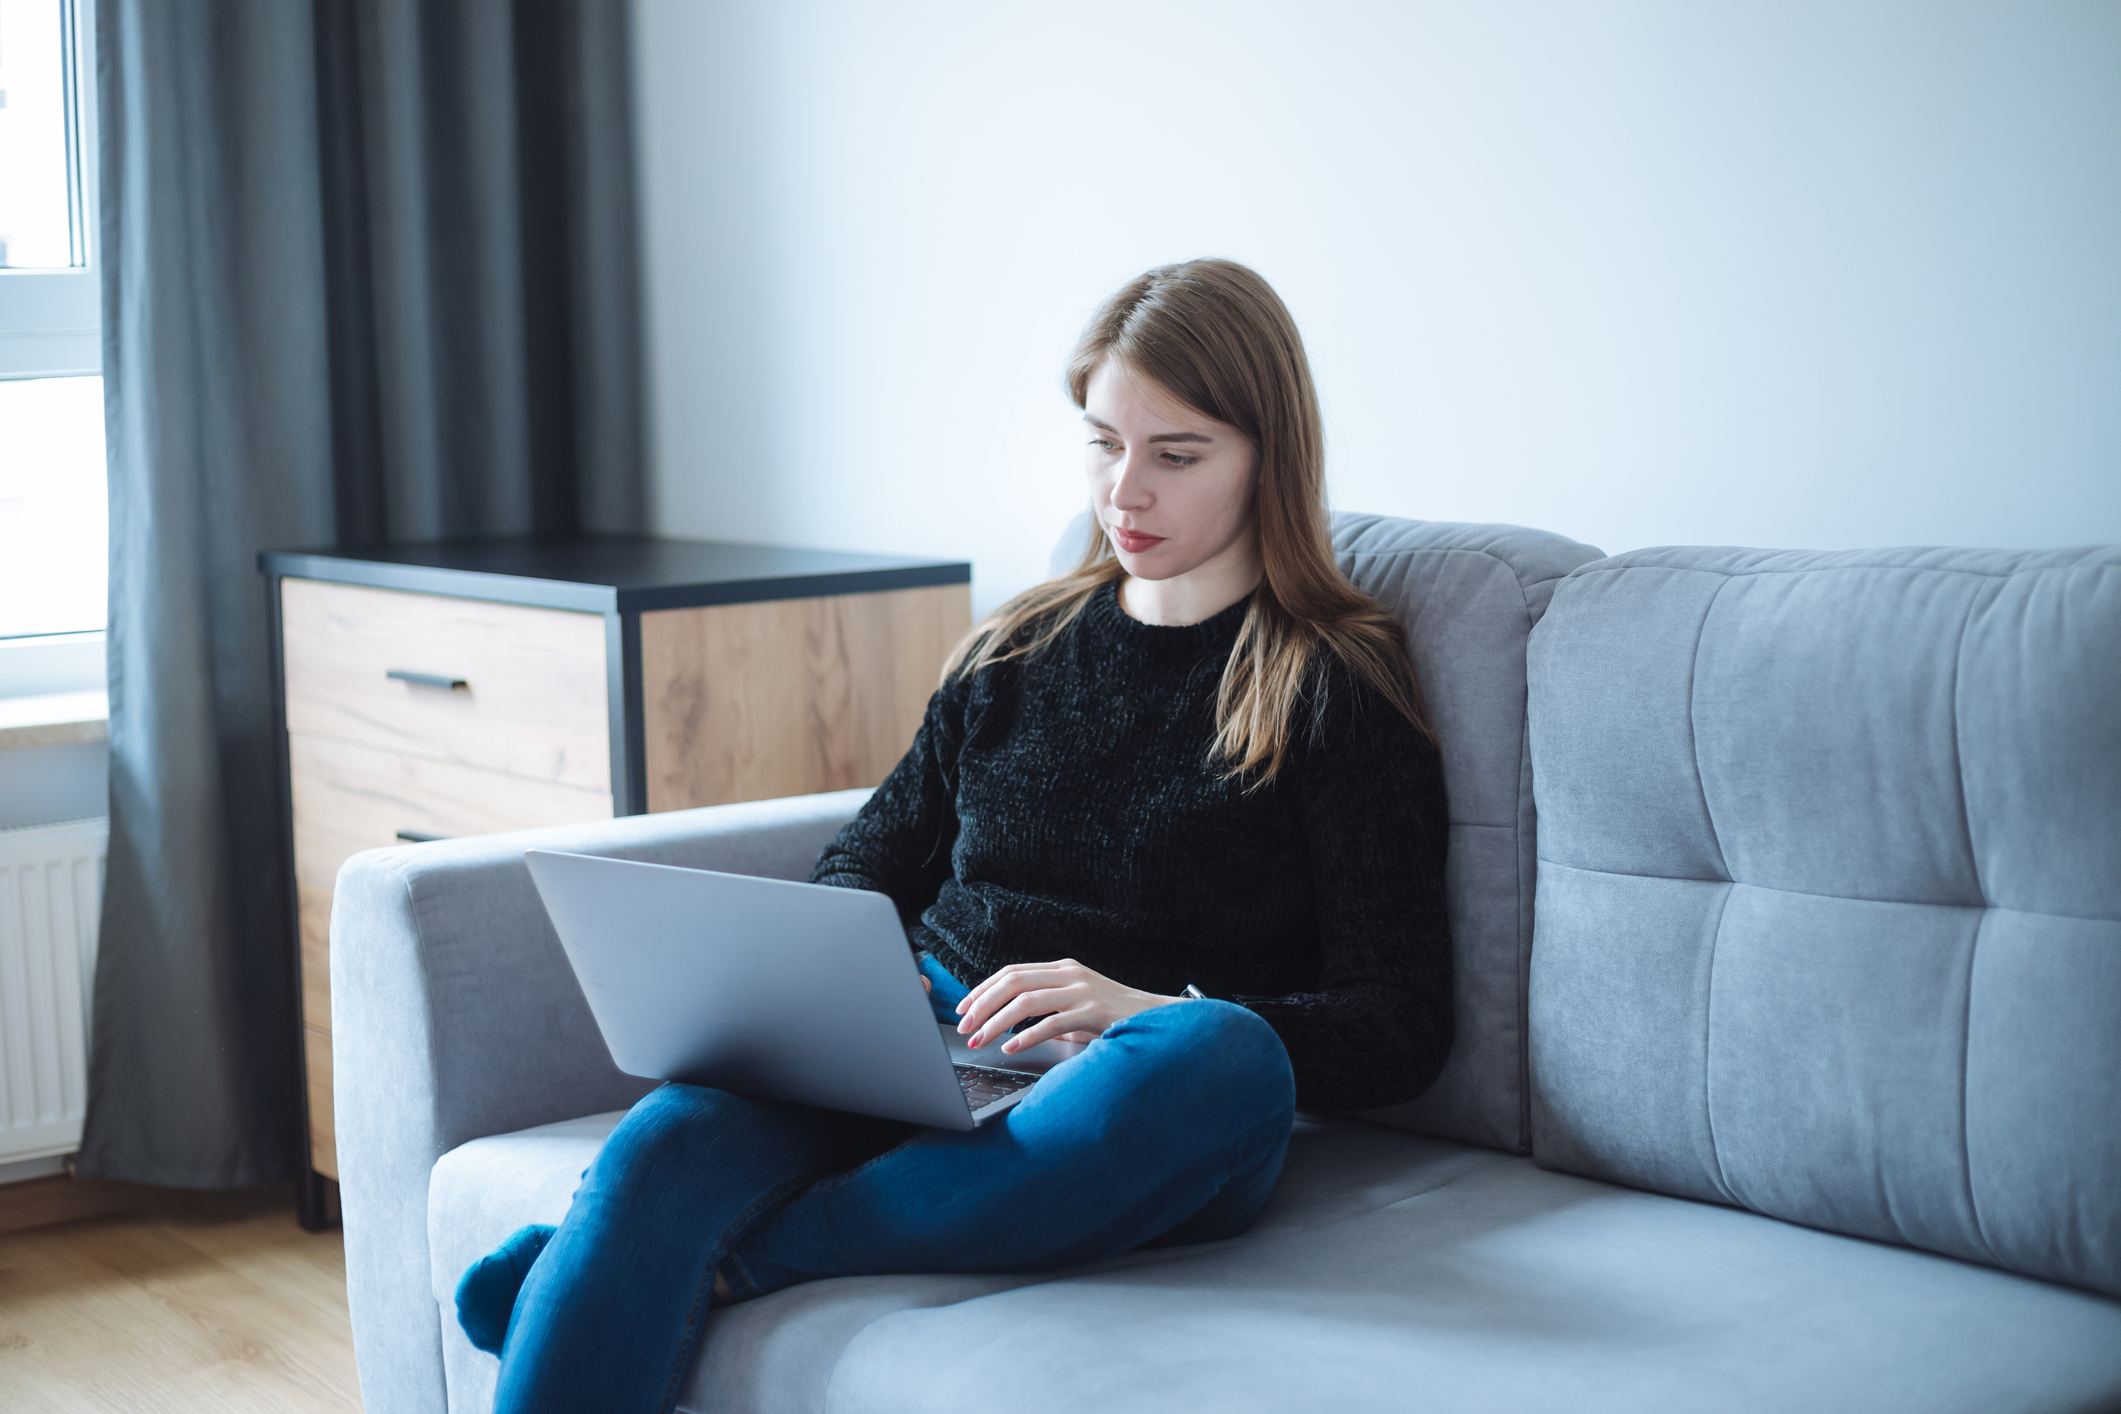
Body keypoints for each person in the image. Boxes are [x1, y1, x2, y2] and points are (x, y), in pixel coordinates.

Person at [454, 256, 1456, 1414]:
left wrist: (1150, 1009)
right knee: (655, 1155)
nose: (1124, 493)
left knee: (1222, 1058)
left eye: (1176, 455)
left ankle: (730, 1256)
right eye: (1102, 443)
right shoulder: (1016, 647)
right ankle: (669, 1235)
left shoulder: (1332, 685)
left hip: (1126, 1088)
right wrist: (851, 985)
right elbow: (864, 863)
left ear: (1266, 458)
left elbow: (1403, 1021)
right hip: (926, 1035)